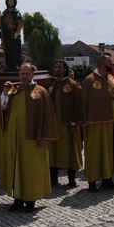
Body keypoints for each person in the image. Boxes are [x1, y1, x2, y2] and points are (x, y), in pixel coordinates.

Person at [0, 63, 57, 213]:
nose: (24, 76)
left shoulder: (40, 92)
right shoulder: (14, 90)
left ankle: (31, 200)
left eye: (27, 74)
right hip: (14, 136)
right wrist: (5, 93)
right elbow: (3, 108)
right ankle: (17, 198)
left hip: (32, 137)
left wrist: (45, 136)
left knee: (30, 168)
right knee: (15, 166)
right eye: (22, 74)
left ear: (33, 75)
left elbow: (47, 116)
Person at [81, 54, 114, 192]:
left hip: (111, 122)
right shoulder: (89, 80)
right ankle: (92, 181)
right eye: (110, 65)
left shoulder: (111, 79)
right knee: (95, 152)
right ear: (102, 66)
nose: (112, 67)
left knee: (110, 150)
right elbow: (84, 101)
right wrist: (85, 121)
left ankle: (108, 179)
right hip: (95, 123)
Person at [47, 59, 82, 187]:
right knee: (53, 150)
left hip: (67, 123)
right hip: (53, 123)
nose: (57, 69)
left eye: (60, 67)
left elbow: (76, 105)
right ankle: (53, 179)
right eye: (55, 67)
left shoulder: (72, 85)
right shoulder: (50, 84)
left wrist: (73, 122)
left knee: (69, 150)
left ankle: (71, 179)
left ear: (65, 69)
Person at [0, 0, 24, 71]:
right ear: (6, 3)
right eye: (9, 2)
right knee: (7, 49)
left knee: (15, 50)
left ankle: (16, 64)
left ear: (14, 3)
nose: (10, 3)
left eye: (12, 2)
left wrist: (17, 32)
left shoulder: (16, 13)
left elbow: (20, 23)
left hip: (13, 34)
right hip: (5, 34)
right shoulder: (4, 13)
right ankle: (8, 63)